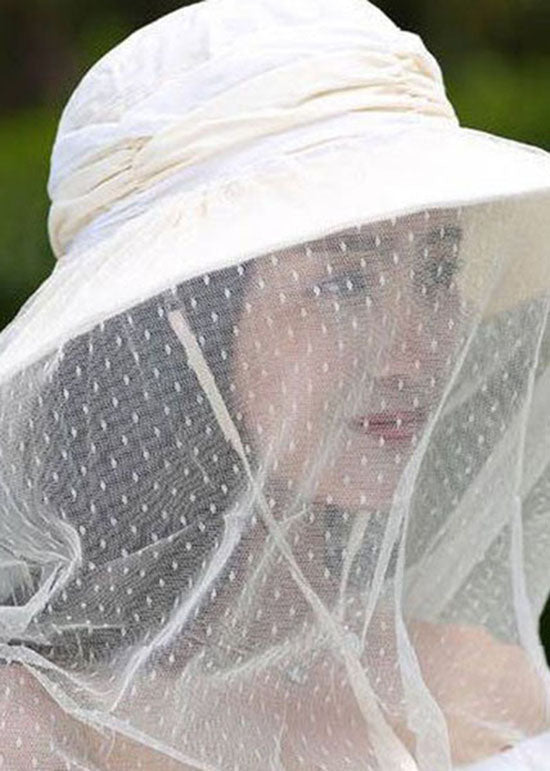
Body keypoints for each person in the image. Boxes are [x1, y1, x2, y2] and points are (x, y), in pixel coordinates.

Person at [1, 0, 550, 768]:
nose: (416, 348)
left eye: (436, 270)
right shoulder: (42, 727)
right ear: (179, 330)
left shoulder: (487, 683)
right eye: (344, 283)